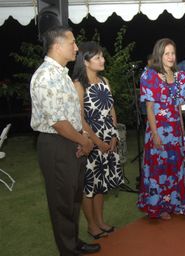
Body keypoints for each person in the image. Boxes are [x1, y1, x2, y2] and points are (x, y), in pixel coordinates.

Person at [30, 26, 100, 255]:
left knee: (72, 198)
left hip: (71, 140)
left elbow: (70, 114)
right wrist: (85, 140)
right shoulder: (46, 76)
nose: (77, 47)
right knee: (62, 201)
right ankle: (68, 250)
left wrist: (82, 139)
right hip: (57, 144)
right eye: (72, 43)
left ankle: (73, 241)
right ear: (58, 46)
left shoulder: (60, 73)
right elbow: (58, 122)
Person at [72, 41, 124, 240]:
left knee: (101, 183)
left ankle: (101, 221)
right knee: (89, 186)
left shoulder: (104, 80)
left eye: (102, 56)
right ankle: (92, 226)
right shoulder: (78, 84)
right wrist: (97, 141)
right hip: (89, 142)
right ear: (85, 61)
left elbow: (111, 109)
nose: (103, 60)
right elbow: (80, 118)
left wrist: (112, 135)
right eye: (98, 57)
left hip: (108, 139)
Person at [137, 38, 185, 220]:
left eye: (173, 53)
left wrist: (183, 131)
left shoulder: (181, 76)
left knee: (175, 167)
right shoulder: (149, 76)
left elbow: (177, 107)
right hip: (158, 129)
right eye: (166, 53)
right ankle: (159, 206)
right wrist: (154, 134)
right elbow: (150, 109)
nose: (170, 57)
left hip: (175, 129)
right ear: (159, 55)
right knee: (159, 170)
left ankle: (176, 203)